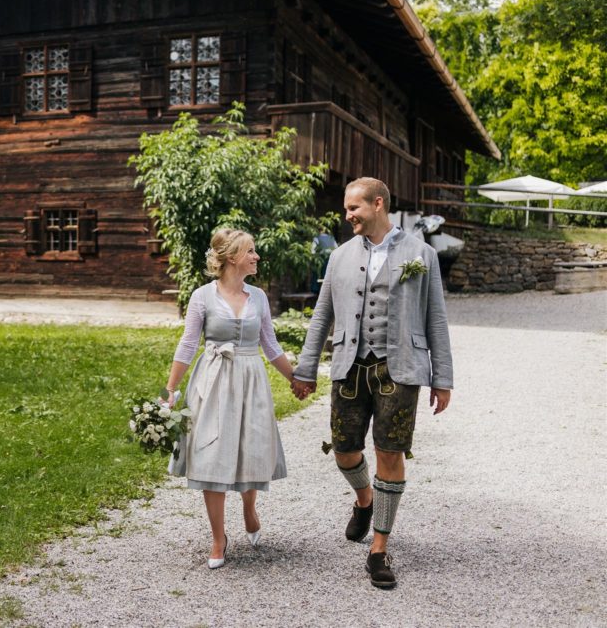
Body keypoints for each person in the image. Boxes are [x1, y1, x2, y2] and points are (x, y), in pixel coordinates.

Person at [291, 177, 453, 589]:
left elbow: (436, 318)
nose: (347, 217)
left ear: (377, 204)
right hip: (350, 365)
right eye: (347, 209)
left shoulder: (422, 254)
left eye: (353, 208)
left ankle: (379, 547)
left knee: (390, 453)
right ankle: (364, 501)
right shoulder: (340, 256)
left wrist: (443, 378)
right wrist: (306, 368)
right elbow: (321, 315)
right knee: (344, 451)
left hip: (400, 368)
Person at [163, 228, 297, 569]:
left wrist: (297, 380)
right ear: (232, 258)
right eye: (250, 251)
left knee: (249, 448)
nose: (256, 256)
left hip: (251, 379)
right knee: (211, 453)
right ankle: (219, 537)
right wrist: (171, 389)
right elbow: (189, 344)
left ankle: (249, 507)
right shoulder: (202, 297)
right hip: (213, 379)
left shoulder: (260, 297)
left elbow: (271, 345)